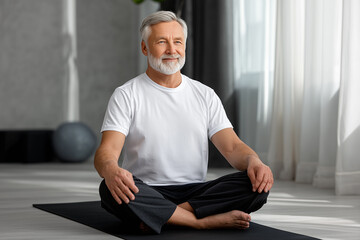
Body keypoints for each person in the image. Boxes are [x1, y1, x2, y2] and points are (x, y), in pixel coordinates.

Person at [94, 11, 273, 234]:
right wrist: (111, 170)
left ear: (185, 47)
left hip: (196, 191)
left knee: (256, 185)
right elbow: (106, 152)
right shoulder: (126, 94)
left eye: (177, 42)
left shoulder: (204, 94)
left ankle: (163, 216)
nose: (171, 50)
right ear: (144, 48)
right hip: (145, 190)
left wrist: (253, 161)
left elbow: (232, 147)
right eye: (161, 42)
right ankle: (200, 221)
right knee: (109, 189)